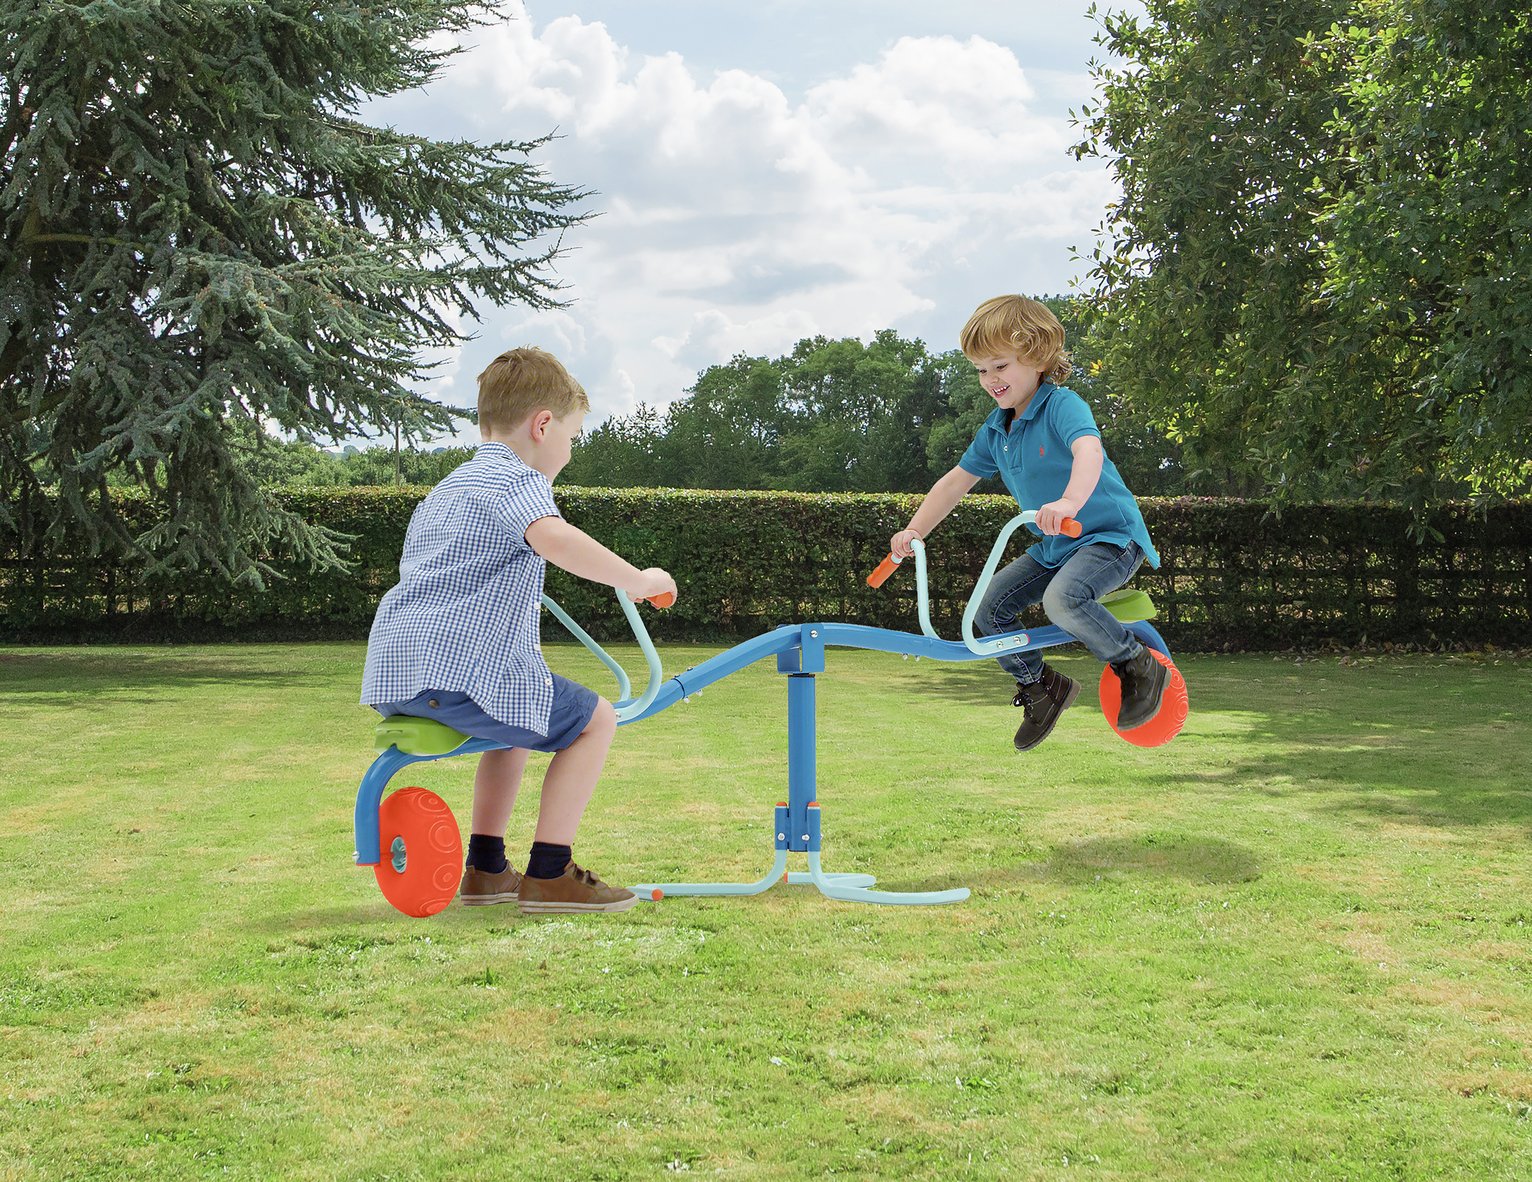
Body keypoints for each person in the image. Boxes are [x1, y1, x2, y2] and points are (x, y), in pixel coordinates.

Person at [362, 346, 677, 914]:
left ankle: (485, 869)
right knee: (595, 720)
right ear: (542, 425)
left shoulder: (447, 489)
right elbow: (555, 539)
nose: (570, 451)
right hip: (460, 670)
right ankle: (551, 873)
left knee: (514, 725)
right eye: (573, 436)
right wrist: (638, 578)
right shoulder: (517, 479)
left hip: (397, 671)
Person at [888, 295, 1166, 751]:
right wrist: (915, 529)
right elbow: (956, 481)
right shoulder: (997, 429)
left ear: (1037, 357)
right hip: (1055, 547)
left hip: (1106, 537)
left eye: (999, 365)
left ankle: (1135, 662)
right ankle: (1041, 688)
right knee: (987, 610)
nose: (989, 379)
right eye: (980, 369)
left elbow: (1088, 450)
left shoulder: (1062, 406)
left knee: (1065, 599)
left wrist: (1071, 500)